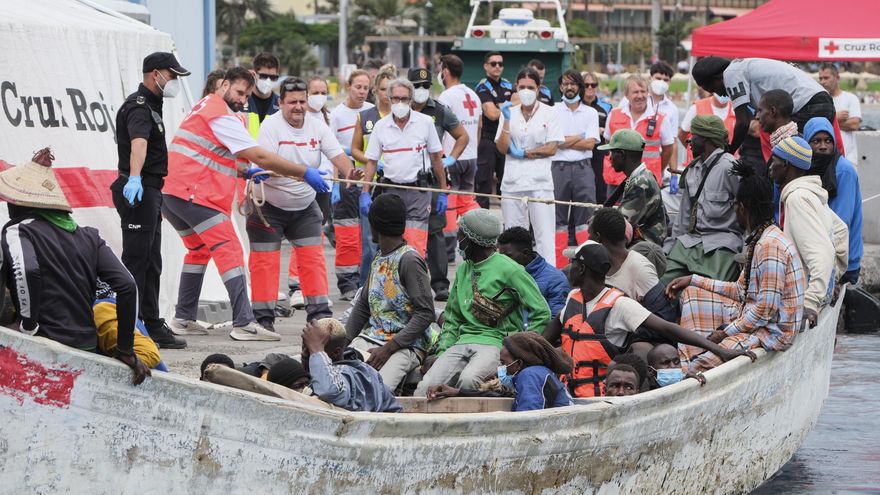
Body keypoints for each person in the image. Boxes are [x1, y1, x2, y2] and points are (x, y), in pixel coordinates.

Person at [162, 67, 330, 342]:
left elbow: (212, 153)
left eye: (247, 95)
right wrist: (303, 172)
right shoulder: (221, 116)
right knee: (231, 252)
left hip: (173, 195)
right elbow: (261, 156)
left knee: (198, 251)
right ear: (224, 85)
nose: (243, 100)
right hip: (196, 196)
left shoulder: (204, 105)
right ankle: (244, 323)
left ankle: (183, 318)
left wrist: (243, 171)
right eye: (240, 92)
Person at [0, 148, 149, 386]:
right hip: (86, 345)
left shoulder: (18, 229)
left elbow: (27, 271)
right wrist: (125, 349)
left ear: (21, 205)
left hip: (42, 344)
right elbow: (128, 285)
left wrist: (27, 326)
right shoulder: (90, 236)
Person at [542, 241, 749, 397]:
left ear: (582, 268)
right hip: (566, 395)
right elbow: (544, 341)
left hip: (599, 399)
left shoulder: (620, 304)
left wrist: (720, 350)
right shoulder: (572, 298)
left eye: (573, 263)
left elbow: (669, 329)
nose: (569, 268)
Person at [667, 160, 806, 372]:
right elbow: (740, 290)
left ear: (741, 208)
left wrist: (726, 332)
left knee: (699, 367)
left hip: (772, 333)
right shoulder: (760, 237)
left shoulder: (770, 246)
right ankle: (692, 354)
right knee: (692, 293)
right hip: (755, 317)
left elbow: (765, 310)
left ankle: (690, 367)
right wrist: (693, 279)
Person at [249, 77, 360, 330]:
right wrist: (304, 172)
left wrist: (350, 173)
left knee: (313, 259)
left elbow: (338, 155)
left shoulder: (317, 126)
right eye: (292, 102)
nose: (298, 106)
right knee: (264, 263)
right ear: (281, 103)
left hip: (304, 204)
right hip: (268, 205)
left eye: (302, 101)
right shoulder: (270, 126)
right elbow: (266, 160)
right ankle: (262, 321)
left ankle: (319, 317)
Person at [414, 209, 551, 396]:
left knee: (470, 380)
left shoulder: (510, 270)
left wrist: (518, 348)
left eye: (461, 237)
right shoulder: (463, 270)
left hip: (495, 343)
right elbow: (453, 318)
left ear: (473, 241)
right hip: (461, 343)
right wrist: (441, 352)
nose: (458, 242)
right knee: (424, 388)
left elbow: (541, 311)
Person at [112, 52, 189, 349]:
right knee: (136, 260)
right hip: (139, 189)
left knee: (151, 261)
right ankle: (128, 326)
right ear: (154, 73)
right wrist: (134, 177)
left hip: (150, 190)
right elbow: (138, 143)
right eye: (172, 75)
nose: (174, 81)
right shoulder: (139, 106)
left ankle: (151, 322)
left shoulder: (153, 105)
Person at [345, 194, 436, 393]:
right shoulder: (379, 257)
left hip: (407, 345)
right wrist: (343, 341)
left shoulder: (409, 260)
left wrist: (389, 348)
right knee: (342, 374)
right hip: (374, 337)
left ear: (374, 227)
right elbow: (363, 306)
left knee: (376, 390)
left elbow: (426, 313)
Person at [359, 78, 449, 258]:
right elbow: (371, 162)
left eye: (404, 99)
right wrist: (365, 192)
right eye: (396, 99)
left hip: (419, 191)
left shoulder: (424, 123)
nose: (400, 103)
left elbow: (437, 158)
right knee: (391, 245)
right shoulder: (381, 126)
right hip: (391, 190)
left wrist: (443, 191)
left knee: (415, 245)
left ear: (411, 99)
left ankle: (414, 281)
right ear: (389, 99)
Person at [691, 56, 844, 159]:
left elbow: (742, 122)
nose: (713, 93)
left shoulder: (731, 73)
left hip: (809, 104)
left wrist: (729, 152)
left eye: (711, 87)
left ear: (717, 78)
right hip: (818, 101)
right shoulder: (743, 66)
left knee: (791, 157)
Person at [769, 136, 848, 327]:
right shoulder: (811, 194)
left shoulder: (797, 199)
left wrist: (811, 302)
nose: (771, 166)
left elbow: (822, 254)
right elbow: (841, 231)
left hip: (799, 296)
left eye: (774, 160)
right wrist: (832, 280)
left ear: (786, 164)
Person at [408, 67, 467, 301]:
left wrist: (451, 157)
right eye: (416, 86)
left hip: (431, 178)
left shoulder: (439, 111)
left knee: (434, 231)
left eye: (425, 86)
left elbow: (462, 136)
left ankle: (440, 283)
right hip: (403, 178)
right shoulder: (400, 110)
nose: (421, 91)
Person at [663, 115, 743, 285]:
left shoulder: (730, 169)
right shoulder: (693, 170)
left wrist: (746, 255)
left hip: (721, 246)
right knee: (661, 287)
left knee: (707, 294)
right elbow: (683, 218)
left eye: (694, 136)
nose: (689, 141)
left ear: (706, 139)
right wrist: (669, 249)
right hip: (689, 244)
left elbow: (748, 213)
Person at [495, 67, 564, 263]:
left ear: (539, 89)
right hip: (512, 182)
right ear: (516, 88)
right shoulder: (509, 112)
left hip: (540, 183)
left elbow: (552, 147)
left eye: (530, 87)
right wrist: (507, 121)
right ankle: (513, 277)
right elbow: (501, 147)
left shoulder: (550, 113)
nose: (526, 91)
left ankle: (548, 279)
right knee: (512, 236)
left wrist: (525, 153)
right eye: (522, 87)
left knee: (544, 236)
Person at [426, 332, 573, 412]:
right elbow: (499, 395)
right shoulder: (536, 372)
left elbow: (529, 419)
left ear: (519, 364)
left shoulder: (529, 375)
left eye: (504, 363)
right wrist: (458, 392)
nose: (501, 368)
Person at [286, 75, 335, 309]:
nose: (318, 96)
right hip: (303, 182)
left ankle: (316, 289)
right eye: (314, 92)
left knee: (316, 238)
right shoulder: (297, 120)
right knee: (301, 235)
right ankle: (297, 286)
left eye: (322, 92)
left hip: (324, 183)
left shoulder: (327, 118)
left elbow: (333, 151)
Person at [587, 208, 675, 323]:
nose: (587, 239)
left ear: (598, 237)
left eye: (589, 234)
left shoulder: (640, 269)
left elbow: (664, 318)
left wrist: (630, 333)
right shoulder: (592, 264)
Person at [331, 70, 375, 300]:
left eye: (365, 87)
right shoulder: (337, 114)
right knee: (348, 233)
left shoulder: (371, 112)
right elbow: (330, 149)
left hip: (367, 179)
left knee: (368, 235)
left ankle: (365, 281)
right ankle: (347, 283)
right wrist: (336, 183)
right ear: (349, 86)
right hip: (346, 181)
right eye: (358, 86)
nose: (361, 91)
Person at [804, 117, 863, 284]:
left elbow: (839, 224)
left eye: (828, 141)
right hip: (819, 259)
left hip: (843, 262)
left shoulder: (843, 171)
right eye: (816, 141)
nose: (823, 146)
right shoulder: (806, 168)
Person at [351, 70, 395, 291]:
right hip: (371, 184)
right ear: (375, 91)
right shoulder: (366, 116)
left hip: (394, 184)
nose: (387, 94)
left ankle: (389, 289)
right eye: (383, 89)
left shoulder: (402, 117)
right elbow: (354, 149)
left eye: (391, 89)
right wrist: (372, 160)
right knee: (369, 244)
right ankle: (365, 290)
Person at [301, 317, 403, 412]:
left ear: (336, 352)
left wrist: (317, 349)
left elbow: (329, 391)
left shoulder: (345, 373)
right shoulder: (363, 368)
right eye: (304, 348)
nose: (304, 353)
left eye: (310, 349)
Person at [437, 54, 482, 269]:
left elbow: (443, 128)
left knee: (449, 207)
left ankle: (447, 254)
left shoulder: (446, 96)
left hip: (452, 157)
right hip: (471, 155)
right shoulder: (473, 94)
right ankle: (477, 239)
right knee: (468, 203)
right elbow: (479, 127)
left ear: (445, 72)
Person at [552, 69, 600, 267]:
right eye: (565, 83)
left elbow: (590, 144)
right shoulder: (552, 110)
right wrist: (580, 135)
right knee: (558, 220)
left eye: (573, 84)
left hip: (583, 169)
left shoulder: (591, 112)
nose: (569, 87)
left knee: (585, 218)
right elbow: (554, 142)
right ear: (561, 87)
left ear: (579, 87)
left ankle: (586, 264)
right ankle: (560, 266)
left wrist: (564, 139)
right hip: (558, 168)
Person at [603, 75, 675, 191]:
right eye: (635, 92)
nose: (640, 96)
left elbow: (668, 149)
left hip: (646, 182)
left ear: (648, 93)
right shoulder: (614, 114)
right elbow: (608, 141)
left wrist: (657, 169)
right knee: (613, 209)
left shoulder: (661, 119)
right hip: (616, 181)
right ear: (626, 95)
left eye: (643, 91)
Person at [599, 129, 667, 246]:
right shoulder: (640, 176)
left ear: (622, 154)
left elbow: (617, 226)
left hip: (645, 246)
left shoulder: (641, 183)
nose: (610, 158)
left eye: (612, 152)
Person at [497, 227, 570, 319]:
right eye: (500, 257)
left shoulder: (555, 280)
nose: (502, 261)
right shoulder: (499, 272)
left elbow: (555, 320)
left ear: (525, 253)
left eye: (508, 256)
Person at [475, 51, 514, 207]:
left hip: (505, 138)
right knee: (484, 183)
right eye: (493, 64)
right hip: (488, 139)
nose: (497, 66)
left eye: (500, 64)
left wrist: (500, 106)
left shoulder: (508, 85)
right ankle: (481, 224)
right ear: (486, 66)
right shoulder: (482, 87)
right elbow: (491, 114)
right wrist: (507, 107)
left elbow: (518, 105)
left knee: (507, 182)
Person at [678, 92, 735, 169]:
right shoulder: (697, 107)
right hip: (697, 166)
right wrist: (694, 150)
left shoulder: (736, 110)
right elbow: (682, 135)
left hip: (724, 166)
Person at [818, 63, 862, 164]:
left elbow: (854, 124)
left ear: (837, 78)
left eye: (826, 78)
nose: (823, 82)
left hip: (849, 158)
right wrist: (836, 117)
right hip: (826, 160)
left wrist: (827, 120)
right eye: (820, 78)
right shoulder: (820, 100)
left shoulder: (851, 98)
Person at [581, 72, 612, 203]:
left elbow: (611, 130)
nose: (589, 88)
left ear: (597, 87)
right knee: (582, 190)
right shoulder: (576, 105)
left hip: (600, 153)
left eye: (593, 85)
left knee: (601, 189)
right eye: (586, 85)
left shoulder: (606, 107)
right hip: (581, 151)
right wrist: (593, 131)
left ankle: (601, 218)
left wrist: (603, 131)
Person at [244, 52, 281, 138]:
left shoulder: (281, 105)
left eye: (273, 77)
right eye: (263, 76)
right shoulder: (240, 101)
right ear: (254, 74)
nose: (268, 81)